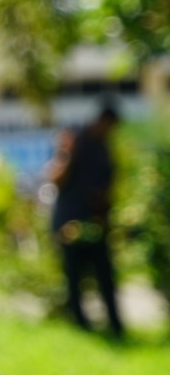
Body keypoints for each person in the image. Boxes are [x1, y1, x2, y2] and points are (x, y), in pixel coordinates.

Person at [46, 101, 125, 338]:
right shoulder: (74, 139)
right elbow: (55, 179)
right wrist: (68, 154)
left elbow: (109, 183)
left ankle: (116, 327)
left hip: (95, 224)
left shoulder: (103, 147)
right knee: (74, 280)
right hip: (69, 223)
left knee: (105, 277)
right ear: (103, 121)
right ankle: (80, 327)